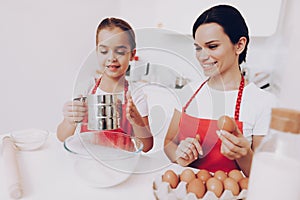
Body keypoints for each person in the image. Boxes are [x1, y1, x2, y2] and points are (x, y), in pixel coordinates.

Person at [164, 4, 277, 176]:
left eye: (212, 46)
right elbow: (169, 143)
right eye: (198, 48)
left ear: (239, 45)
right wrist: (179, 156)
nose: (202, 56)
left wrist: (244, 154)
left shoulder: (263, 102)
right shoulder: (188, 92)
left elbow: (264, 174)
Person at [56, 17, 153, 152]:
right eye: (104, 51)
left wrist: (138, 123)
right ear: (97, 52)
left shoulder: (135, 95)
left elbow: (147, 146)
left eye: (120, 51)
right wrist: (69, 121)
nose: (111, 58)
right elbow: (62, 136)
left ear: (132, 54)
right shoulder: (86, 89)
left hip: (122, 164)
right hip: (89, 160)